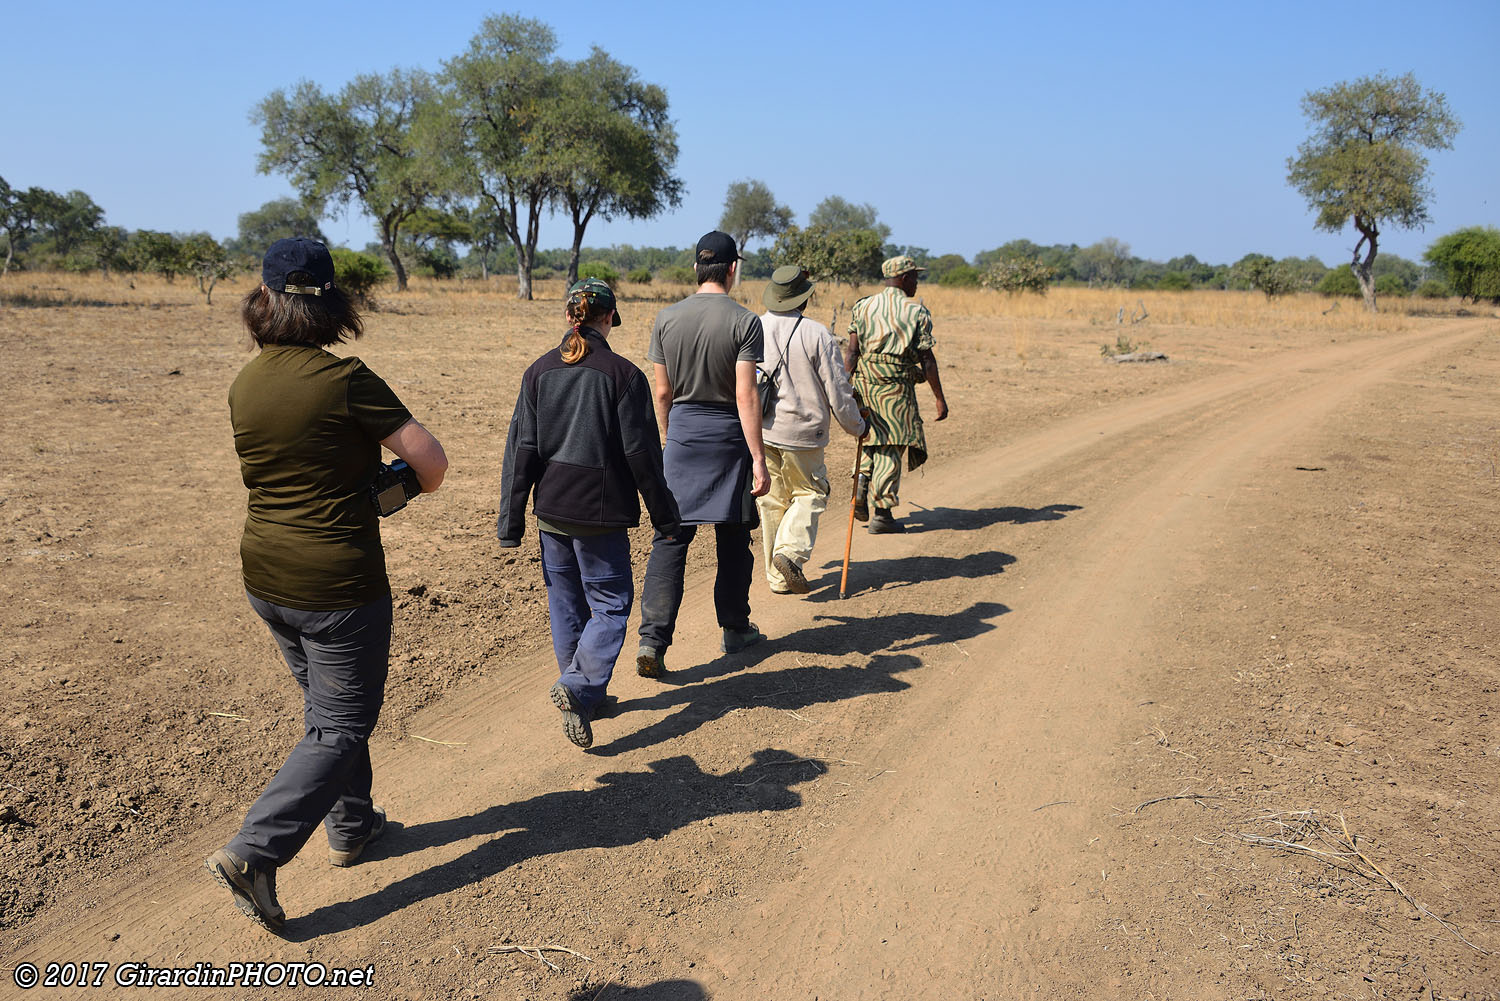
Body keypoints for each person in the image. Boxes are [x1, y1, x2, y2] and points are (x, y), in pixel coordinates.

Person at [208, 238, 448, 933]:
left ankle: (352, 826)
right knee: (342, 722)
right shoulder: (346, 380)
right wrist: (386, 487)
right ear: (333, 303)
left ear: (264, 303)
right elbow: (429, 464)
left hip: (265, 573)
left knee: (326, 710)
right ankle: (255, 850)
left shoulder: (244, 384)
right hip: (338, 580)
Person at [497, 279, 680, 748]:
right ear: (607, 319)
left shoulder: (538, 371)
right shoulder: (624, 375)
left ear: (568, 317)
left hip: (552, 511)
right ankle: (579, 688)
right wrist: (664, 514)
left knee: (566, 605)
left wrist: (511, 521)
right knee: (612, 605)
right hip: (600, 516)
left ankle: (584, 692)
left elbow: (522, 449)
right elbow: (641, 455)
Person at [636, 231, 770, 676]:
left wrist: (671, 440)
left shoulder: (666, 318)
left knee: (671, 539)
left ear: (697, 268)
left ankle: (653, 642)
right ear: (734, 269)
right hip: (730, 441)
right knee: (734, 538)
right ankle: (735, 629)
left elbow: (661, 392)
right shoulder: (745, 322)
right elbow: (746, 396)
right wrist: (759, 458)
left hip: (683, 439)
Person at [756, 265, 868, 594]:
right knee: (810, 494)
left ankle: (777, 579)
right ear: (803, 299)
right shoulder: (817, 334)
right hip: (805, 435)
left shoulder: (754, 327)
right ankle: (789, 553)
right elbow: (838, 391)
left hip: (763, 431)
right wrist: (857, 426)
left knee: (773, 502)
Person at [844, 255, 950, 533]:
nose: (917, 282)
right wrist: (939, 397)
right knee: (892, 443)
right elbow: (927, 359)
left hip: (866, 382)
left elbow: (853, 352)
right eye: (915, 276)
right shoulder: (916, 312)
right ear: (903, 278)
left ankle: (862, 484)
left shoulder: (863, 306)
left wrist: (844, 386)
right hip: (896, 386)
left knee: (869, 436)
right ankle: (883, 512)